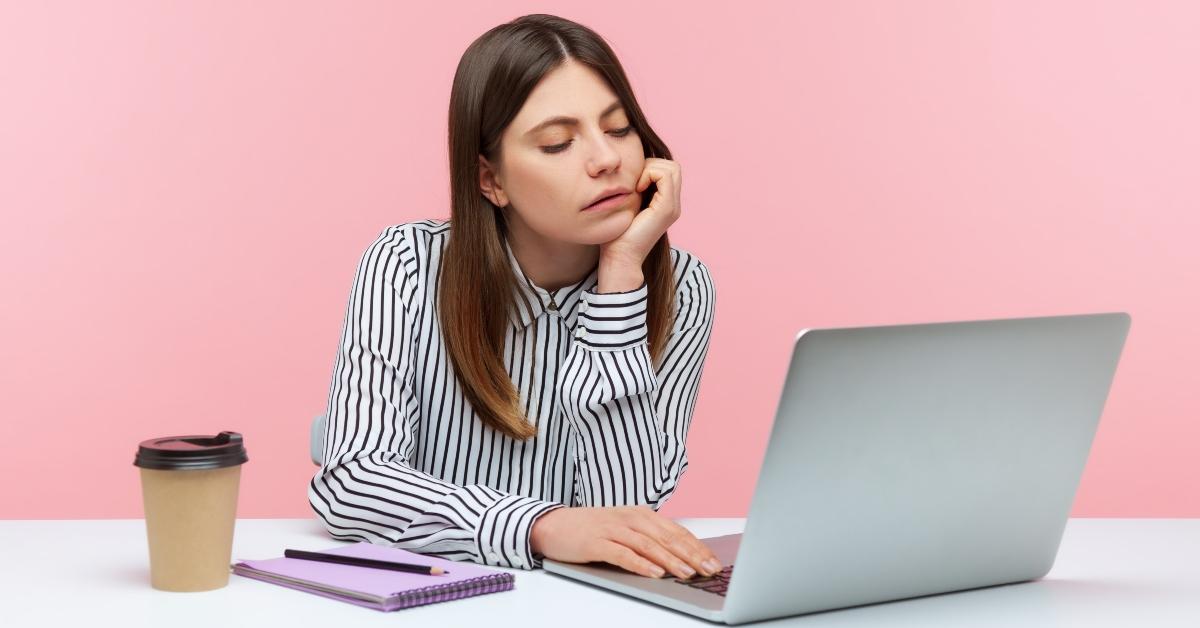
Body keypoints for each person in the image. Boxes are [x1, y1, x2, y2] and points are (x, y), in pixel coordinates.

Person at [308, 13, 719, 582]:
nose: (606, 160)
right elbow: (352, 482)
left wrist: (621, 278)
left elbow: (627, 511)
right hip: (432, 600)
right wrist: (540, 527)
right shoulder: (408, 265)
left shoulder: (683, 288)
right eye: (557, 143)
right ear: (489, 180)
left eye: (620, 129)